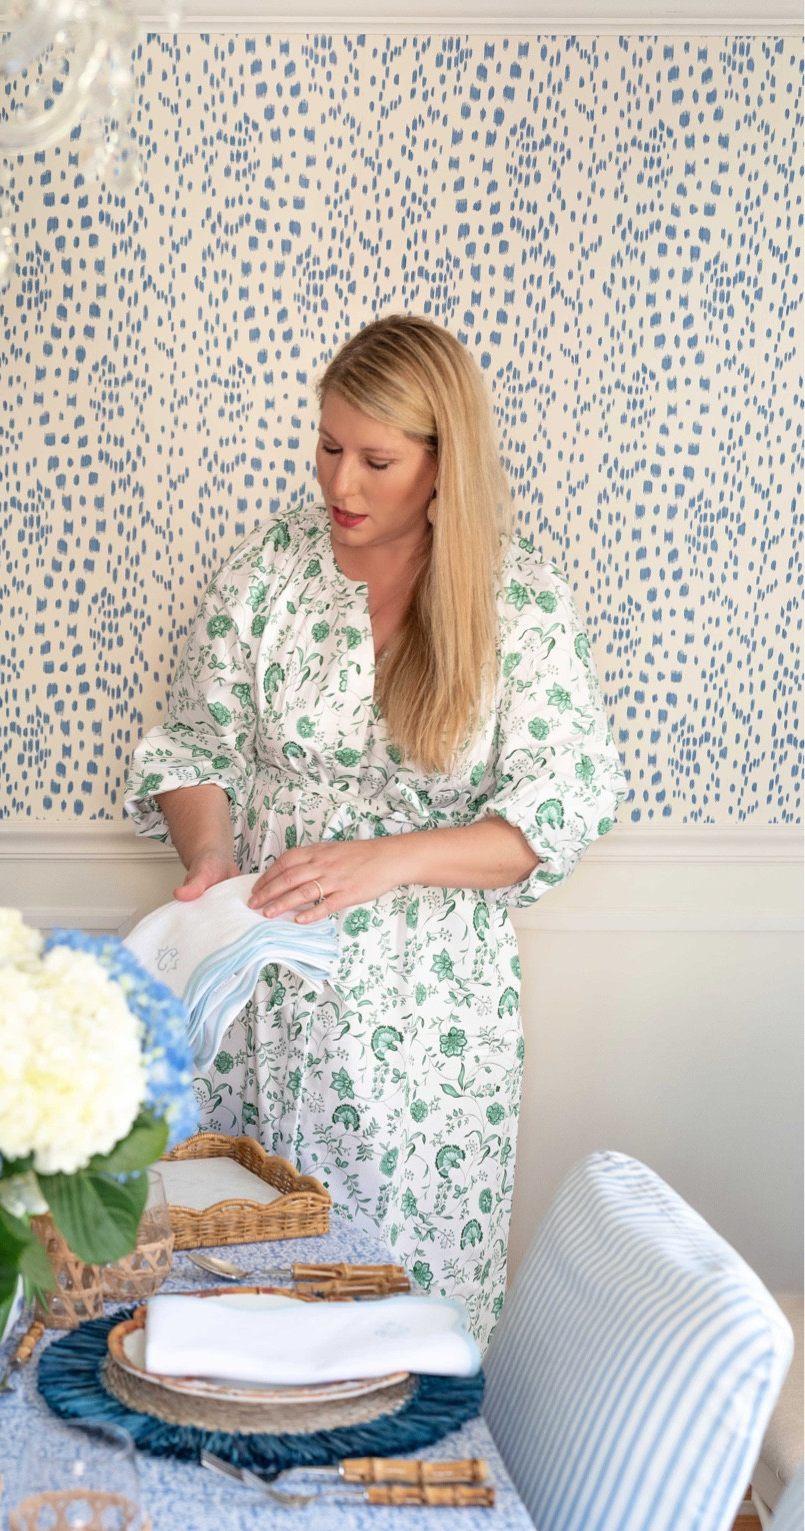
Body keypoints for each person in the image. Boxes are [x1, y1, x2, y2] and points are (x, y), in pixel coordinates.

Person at [125, 315, 624, 1345]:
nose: (338, 484)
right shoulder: (274, 570)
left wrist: (384, 861)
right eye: (326, 445)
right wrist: (211, 858)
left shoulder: (513, 595)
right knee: (230, 1285)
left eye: (375, 459)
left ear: (444, 466)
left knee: (396, 1311)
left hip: (424, 1025)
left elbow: (560, 805)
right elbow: (189, 746)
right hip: (256, 992)